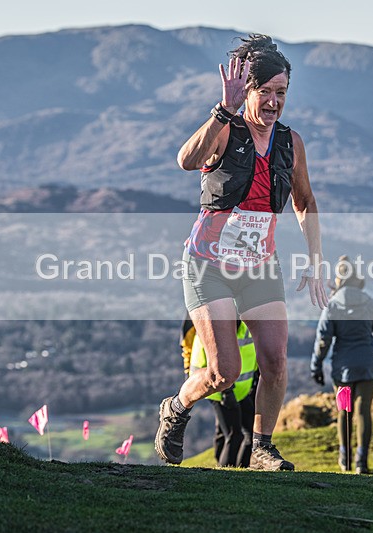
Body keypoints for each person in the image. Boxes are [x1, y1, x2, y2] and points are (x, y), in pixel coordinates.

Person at [155, 34, 328, 472]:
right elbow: (186, 160)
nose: (273, 102)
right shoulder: (226, 129)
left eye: (281, 93)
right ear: (246, 90)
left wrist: (315, 259)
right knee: (223, 373)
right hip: (207, 265)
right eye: (264, 92)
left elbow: (304, 202)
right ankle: (176, 406)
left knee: (274, 360)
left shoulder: (291, 142)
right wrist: (222, 111)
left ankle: (262, 449)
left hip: (259, 266)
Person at [310, 256, 373, 474]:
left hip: (342, 370)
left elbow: (323, 340)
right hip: (368, 366)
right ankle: (361, 462)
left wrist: (315, 366)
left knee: (344, 412)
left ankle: (344, 459)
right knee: (364, 411)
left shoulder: (333, 306)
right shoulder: (371, 303)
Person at [190, 320, 258, 468]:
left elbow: (254, 351)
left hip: (243, 390)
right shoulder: (211, 328)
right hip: (218, 390)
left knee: (248, 433)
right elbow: (209, 364)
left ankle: (240, 470)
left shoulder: (246, 325)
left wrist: (256, 380)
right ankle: (226, 472)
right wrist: (226, 391)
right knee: (235, 435)